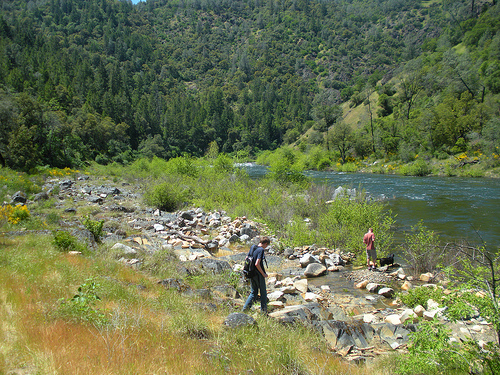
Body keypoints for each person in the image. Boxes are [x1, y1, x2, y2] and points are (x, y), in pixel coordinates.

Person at [242, 236, 270, 314]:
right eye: (266, 246)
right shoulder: (261, 250)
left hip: (251, 273)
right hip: (258, 275)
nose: (266, 247)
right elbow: (257, 263)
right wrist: (263, 274)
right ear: (265, 243)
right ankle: (264, 312)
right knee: (263, 293)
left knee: (253, 292)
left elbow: (246, 258)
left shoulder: (253, 247)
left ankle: (245, 310)